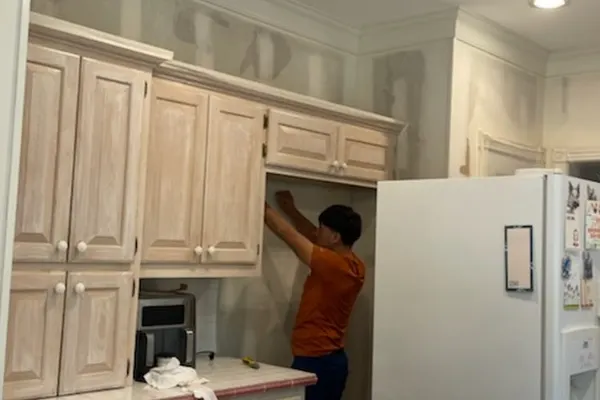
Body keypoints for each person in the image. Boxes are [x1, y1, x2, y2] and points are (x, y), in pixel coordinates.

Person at [263, 190, 365, 400]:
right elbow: (310, 234)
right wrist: (291, 210)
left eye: (322, 228)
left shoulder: (333, 265)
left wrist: (258, 201)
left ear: (335, 237)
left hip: (317, 362)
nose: (317, 232)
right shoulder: (354, 264)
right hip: (329, 360)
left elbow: (288, 234)